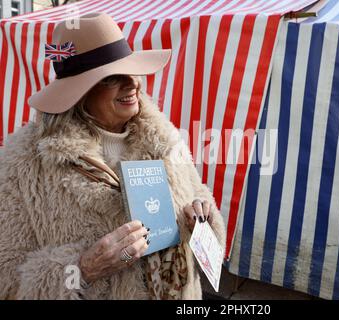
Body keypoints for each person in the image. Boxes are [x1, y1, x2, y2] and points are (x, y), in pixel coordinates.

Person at [0, 12, 226, 300]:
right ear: (77, 93)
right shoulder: (26, 163)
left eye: (132, 70)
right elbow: (7, 280)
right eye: (112, 78)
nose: (132, 83)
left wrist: (202, 221)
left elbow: (204, 212)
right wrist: (82, 269)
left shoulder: (165, 139)